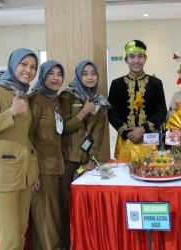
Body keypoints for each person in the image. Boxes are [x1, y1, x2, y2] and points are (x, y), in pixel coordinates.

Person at [0, 48, 39, 250]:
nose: (28, 70)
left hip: (24, 175)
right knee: (9, 238)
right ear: (13, 64)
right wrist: (10, 112)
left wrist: (33, 172)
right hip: (3, 177)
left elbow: (24, 138)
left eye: (33, 66)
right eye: (24, 64)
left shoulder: (21, 94)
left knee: (20, 232)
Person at [59, 60, 110, 248]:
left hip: (86, 163)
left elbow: (98, 134)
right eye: (85, 74)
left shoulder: (100, 100)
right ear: (78, 76)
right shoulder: (66, 97)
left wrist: (92, 161)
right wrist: (84, 111)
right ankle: (67, 243)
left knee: (84, 208)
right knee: (65, 206)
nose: (90, 77)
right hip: (67, 160)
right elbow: (64, 128)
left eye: (93, 73)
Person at [108, 40, 167, 161]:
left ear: (145, 58)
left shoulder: (155, 83)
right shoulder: (116, 84)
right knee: (124, 176)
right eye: (131, 56)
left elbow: (161, 111)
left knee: (151, 173)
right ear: (126, 59)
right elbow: (112, 113)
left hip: (149, 140)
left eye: (140, 56)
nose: (136, 60)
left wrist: (142, 129)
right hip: (126, 140)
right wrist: (127, 132)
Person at [29, 60, 65, 250]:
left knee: (53, 219)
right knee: (47, 222)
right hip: (41, 170)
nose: (55, 78)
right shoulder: (36, 99)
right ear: (42, 75)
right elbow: (27, 137)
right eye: (50, 73)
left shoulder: (54, 99)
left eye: (59, 74)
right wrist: (33, 172)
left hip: (55, 168)